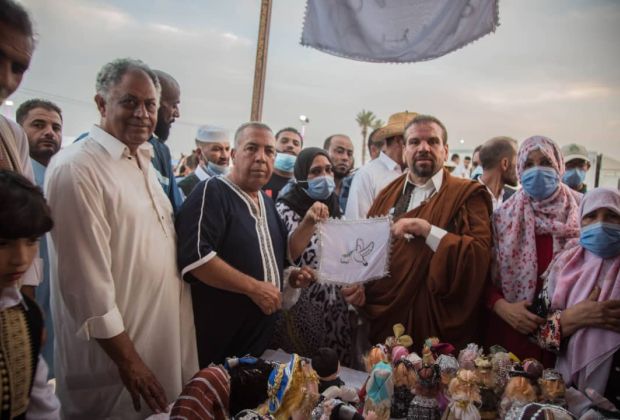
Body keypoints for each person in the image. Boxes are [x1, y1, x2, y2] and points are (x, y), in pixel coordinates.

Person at [45, 58, 198, 419]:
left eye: (150, 105)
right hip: (116, 370)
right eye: (130, 102)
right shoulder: (77, 168)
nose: (142, 114)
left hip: (160, 351)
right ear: (102, 104)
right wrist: (130, 362)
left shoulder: (143, 159)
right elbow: (87, 287)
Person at [176, 122, 315, 367]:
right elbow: (197, 258)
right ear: (234, 154)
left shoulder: (266, 202)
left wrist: (292, 277)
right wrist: (254, 288)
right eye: (252, 148)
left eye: (269, 151)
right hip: (218, 337)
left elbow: (281, 256)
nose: (261, 158)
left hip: (257, 339)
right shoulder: (212, 191)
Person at [361, 114, 493, 352]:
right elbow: (367, 250)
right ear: (404, 151)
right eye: (414, 142)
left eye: (432, 141)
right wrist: (358, 287)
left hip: (441, 325)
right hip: (388, 320)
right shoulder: (386, 195)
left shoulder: (467, 195)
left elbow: (479, 256)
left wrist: (427, 231)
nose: (423, 148)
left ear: (445, 150)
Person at [487, 135, 582, 366]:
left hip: (570, 336)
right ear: (519, 169)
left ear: (559, 165)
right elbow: (481, 276)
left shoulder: (583, 211)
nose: (537, 170)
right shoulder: (502, 217)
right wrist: (501, 306)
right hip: (514, 333)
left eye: (546, 162)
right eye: (529, 164)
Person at [272, 147, 363, 365]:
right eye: (315, 171)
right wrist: (309, 222)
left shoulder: (335, 207)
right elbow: (288, 256)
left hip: (336, 311)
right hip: (302, 307)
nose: (325, 176)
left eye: (328, 170)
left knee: (336, 373)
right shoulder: (285, 209)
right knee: (305, 372)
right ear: (301, 175)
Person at [531, 188, 620, 404]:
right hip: (571, 397)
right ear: (580, 221)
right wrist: (572, 319)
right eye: (591, 216)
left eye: (611, 216)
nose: (600, 224)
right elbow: (536, 334)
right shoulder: (562, 266)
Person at [0, 170, 60, 418]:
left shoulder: (27, 315)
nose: (21, 258)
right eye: (3, 244)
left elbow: (42, 406)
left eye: (32, 241)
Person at [16, 98, 63, 377]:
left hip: (58, 298)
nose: (49, 132)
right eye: (38, 124)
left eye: (56, 127)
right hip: (27, 297)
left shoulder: (62, 176)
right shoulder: (17, 181)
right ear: (18, 130)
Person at [0, 0, 40, 295]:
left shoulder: (11, 135)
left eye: (18, 68)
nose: (5, 79)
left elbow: (26, 227)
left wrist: (25, 304)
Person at [345, 111, 416, 220]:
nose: (420, 148)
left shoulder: (417, 174)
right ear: (399, 140)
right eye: (415, 142)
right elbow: (356, 223)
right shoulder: (367, 174)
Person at [148, 69, 184, 212]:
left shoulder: (161, 151)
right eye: (174, 105)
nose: (177, 113)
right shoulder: (93, 148)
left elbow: (176, 212)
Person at [177, 125, 230, 197]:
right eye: (217, 149)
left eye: (227, 149)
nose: (225, 156)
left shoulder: (231, 185)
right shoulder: (183, 189)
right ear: (199, 153)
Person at [477, 136, 518, 211]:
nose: (520, 168)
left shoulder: (515, 198)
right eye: (517, 161)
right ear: (505, 163)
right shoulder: (465, 197)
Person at [263, 126, 303, 200]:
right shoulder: (260, 179)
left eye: (296, 143)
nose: (290, 145)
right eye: (284, 141)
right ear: (273, 146)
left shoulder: (303, 187)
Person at [323, 134, 354, 206]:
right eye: (339, 151)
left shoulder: (354, 189)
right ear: (325, 153)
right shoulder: (314, 188)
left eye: (349, 154)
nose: (345, 158)